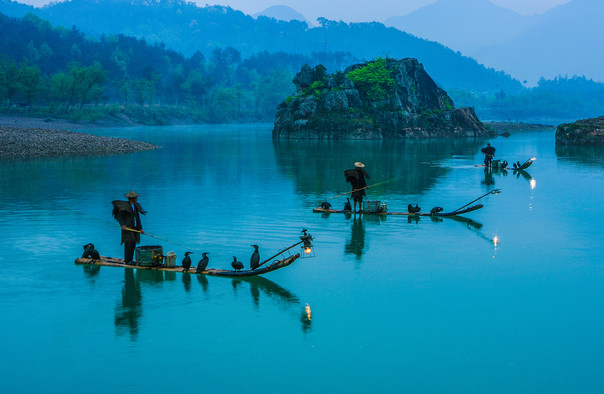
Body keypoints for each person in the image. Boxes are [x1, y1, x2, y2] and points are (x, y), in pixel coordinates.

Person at [112, 190, 146, 264]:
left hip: (134, 228)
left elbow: (137, 218)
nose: (137, 198)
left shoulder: (136, 206)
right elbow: (119, 216)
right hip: (127, 228)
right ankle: (127, 261)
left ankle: (131, 260)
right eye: (135, 197)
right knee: (128, 244)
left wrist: (140, 228)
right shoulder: (125, 206)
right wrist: (123, 224)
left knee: (133, 243)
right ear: (132, 198)